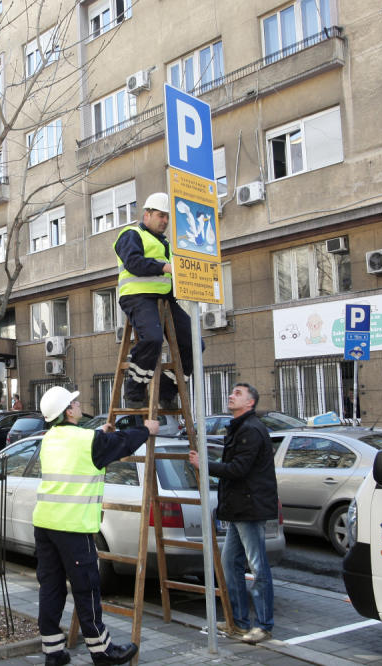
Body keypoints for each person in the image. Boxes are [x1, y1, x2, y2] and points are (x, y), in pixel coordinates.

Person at [32, 386, 157, 665]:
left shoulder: (49, 438)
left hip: (45, 525)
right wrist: (146, 430)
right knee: (86, 588)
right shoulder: (87, 440)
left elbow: (83, 447)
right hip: (73, 528)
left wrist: (101, 433)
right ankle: (102, 651)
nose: (78, 404)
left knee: (50, 588)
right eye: (74, 402)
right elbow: (122, 443)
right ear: (67, 411)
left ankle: (53, 652)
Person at [189, 383, 277, 645]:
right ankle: (238, 623)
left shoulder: (251, 430)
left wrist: (203, 465)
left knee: (258, 565)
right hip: (239, 507)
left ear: (250, 403)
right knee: (230, 564)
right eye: (232, 392)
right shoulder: (240, 427)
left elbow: (238, 469)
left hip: (249, 508)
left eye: (238, 393)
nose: (231, 395)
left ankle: (263, 625)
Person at [113, 192, 199, 410]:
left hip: (165, 300)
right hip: (137, 296)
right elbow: (134, 263)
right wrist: (165, 267)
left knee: (195, 344)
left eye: (167, 217)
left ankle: (166, 392)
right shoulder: (131, 234)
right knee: (151, 339)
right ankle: (134, 391)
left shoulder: (166, 244)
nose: (165, 221)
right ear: (147, 214)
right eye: (161, 216)